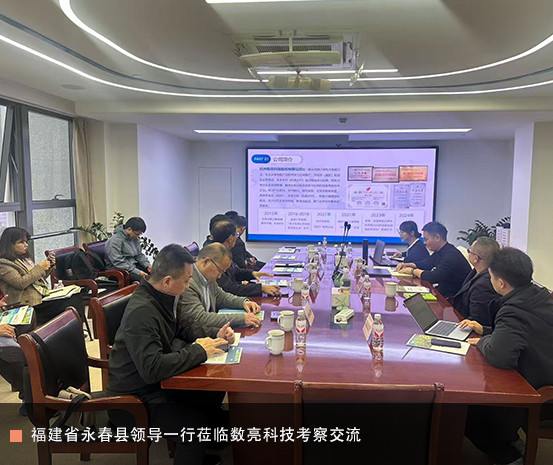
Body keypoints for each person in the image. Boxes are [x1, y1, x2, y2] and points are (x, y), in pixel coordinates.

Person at [108, 244, 232, 465]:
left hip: (159, 385)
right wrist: (199, 350)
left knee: (213, 392)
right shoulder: (142, 311)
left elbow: (181, 329)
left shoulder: (162, 296)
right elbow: (152, 369)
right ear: (167, 281)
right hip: (135, 398)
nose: (188, 286)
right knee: (195, 428)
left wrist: (215, 336)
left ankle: (200, 450)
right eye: (186, 281)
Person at [460, 248, 553, 465]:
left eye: (491, 277)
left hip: (541, 393)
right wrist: (487, 331)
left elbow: (500, 357)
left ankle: (509, 455)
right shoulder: (540, 295)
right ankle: (510, 442)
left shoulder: (514, 310)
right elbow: (526, 334)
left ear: (501, 283)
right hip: (546, 372)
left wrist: (482, 341)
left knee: (467, 408)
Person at [0, 227, 84, 326]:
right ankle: (72, 329)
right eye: (21, 242)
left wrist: (48, 266)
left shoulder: (24, 259)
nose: (26, 245)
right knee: (70, 302)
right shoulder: (3, 264)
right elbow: (20, 283)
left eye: (26, 242)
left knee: (76, 295)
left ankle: (75, 329)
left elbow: (36, 279)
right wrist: (40, 267)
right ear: (10, 244)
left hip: (41, 297)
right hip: (28, 305)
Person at [177, 243, 263, 335]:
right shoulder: (187, 283)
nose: (219, 276)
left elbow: (221, 297)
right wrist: (241, 319)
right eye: (220, 270)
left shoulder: (208, 277)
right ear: (206, 262)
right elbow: (200, 318)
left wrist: (243, 302)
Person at [396, 221, 471, 298]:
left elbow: (434, 277)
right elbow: (427, 263)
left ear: (437, 238)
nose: (425, 243)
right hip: (443, 292)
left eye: (426, 239)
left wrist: (413, 271)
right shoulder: (440, 251)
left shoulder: (450, 255)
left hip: (452, 299)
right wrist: (408, 265)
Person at [211, 221, 280, 297]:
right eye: (236, 235)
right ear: (230, 238)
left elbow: (235, 271)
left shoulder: (224, 251)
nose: (237, 238)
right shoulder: (216, 256)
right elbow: (229, 288)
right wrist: (260, 288)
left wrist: (252, 274)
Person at [452, 237, 500, 326]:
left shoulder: (483, 286)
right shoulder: (477, 271)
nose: (468, 253)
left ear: (475, 258)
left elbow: (478, 320)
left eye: (469, 251)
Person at [105, 217, 151, 283]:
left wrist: (147, 265)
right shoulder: (114, 241)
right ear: (129, 229)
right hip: (119, 270)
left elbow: (139, 255)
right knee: (146, 281)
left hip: (132, 266)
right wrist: (138, 272)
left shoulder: (134, 239)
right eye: (137, 234)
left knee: (154, 276)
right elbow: (118, 262)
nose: (138, 236)